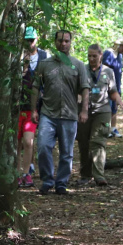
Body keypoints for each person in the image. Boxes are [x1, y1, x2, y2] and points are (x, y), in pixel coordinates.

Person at [32, 30, 89, 196]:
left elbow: (85, 89)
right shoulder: (44, 64)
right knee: (43, 147)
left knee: (67, 153)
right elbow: (35, 86)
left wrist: (84, 110)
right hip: (48, 114)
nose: (63, 44)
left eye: (66, 41)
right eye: (60, 41)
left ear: (70, 43)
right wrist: (34, 109)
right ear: (55, 42)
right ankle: (47, 180)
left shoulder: (77, 65)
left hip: (69, 115)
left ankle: (61, 183)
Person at [77, 44, 123, 187]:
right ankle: (85, 174)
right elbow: (76, 90)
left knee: (98, 142)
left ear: (101, 55)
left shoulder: (108, 72)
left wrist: (119, 100)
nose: (91, 59)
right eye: (89, 56)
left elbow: (112, 91)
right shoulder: (82, 70)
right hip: (84, 111)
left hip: (102, 111)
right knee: (83, 143)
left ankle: (99, 176)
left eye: (94, 56)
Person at [17, 26, 47, 188]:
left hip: (35, 106)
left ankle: (27, 171)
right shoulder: (16, 57)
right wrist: (24, 66)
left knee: (29, 141)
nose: (29, 43)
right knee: (17, 142)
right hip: (18, 106)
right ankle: (18, 173)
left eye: (32, 40)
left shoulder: (44, 56)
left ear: (36, 39)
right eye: (26, 40)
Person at [102, 38, 123, 138]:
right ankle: (106, 129)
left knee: (114, 107)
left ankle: (113, 128)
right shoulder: (108, 53)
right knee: (107, 107)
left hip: (116, 84)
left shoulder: (120, 55)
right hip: (107, 85)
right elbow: (104, 70)